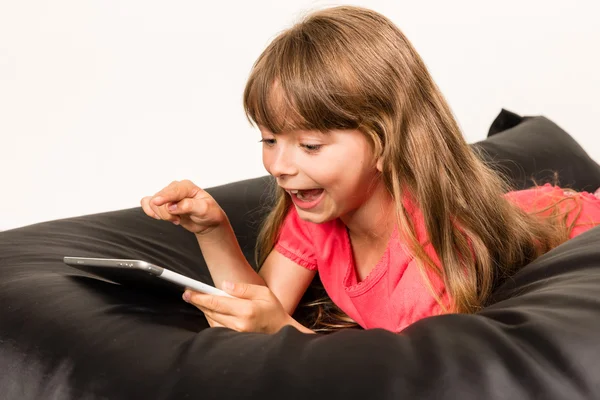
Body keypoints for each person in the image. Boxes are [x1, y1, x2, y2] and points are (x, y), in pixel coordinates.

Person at [140, 6, 600, 334]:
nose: (279, 166)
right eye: (269, 139)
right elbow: (263, 303)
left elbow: (413, 374)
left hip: (579, 220)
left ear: (385, 143)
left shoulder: (433, 253)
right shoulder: (315, 212)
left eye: (311, 144)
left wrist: (281, 330)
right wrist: (213, 230)